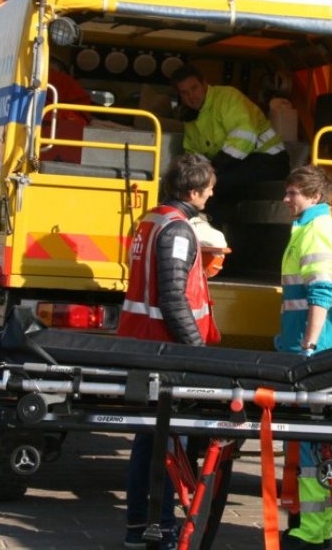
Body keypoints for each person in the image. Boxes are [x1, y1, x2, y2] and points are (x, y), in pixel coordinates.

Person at [118, 153, 220, 550]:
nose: (212, 194)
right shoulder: (177, 231)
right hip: (163, 351)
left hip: (144, 343)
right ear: (193, 192)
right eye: (209, 188)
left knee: (149, 441)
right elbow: (173, 297)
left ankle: (139, 528)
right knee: (165, 444)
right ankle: (158, 530)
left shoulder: (149, 220)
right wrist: (198, 352)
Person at [276, 165, 332, 550]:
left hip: (317, 351)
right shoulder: (318, 228)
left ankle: (313, 529)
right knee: (316, 442)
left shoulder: (317, 231)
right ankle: (318, 525)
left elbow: (321, 291)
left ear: (313, 196)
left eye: (293, 193)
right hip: (319, 348)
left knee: (312, 442)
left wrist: (307, 347)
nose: (286, 200)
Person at [171, 65, 290, 192]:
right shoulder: (190, 118)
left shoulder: (227, 97)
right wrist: (197, 173)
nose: (191, 96)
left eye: (194, 88)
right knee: (197, 185)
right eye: (185, 93)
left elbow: (244, 135)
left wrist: (215, 168)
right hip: (237, 163)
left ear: (204, 84)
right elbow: (193, 151)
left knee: (214, 186)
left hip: (269, 159)